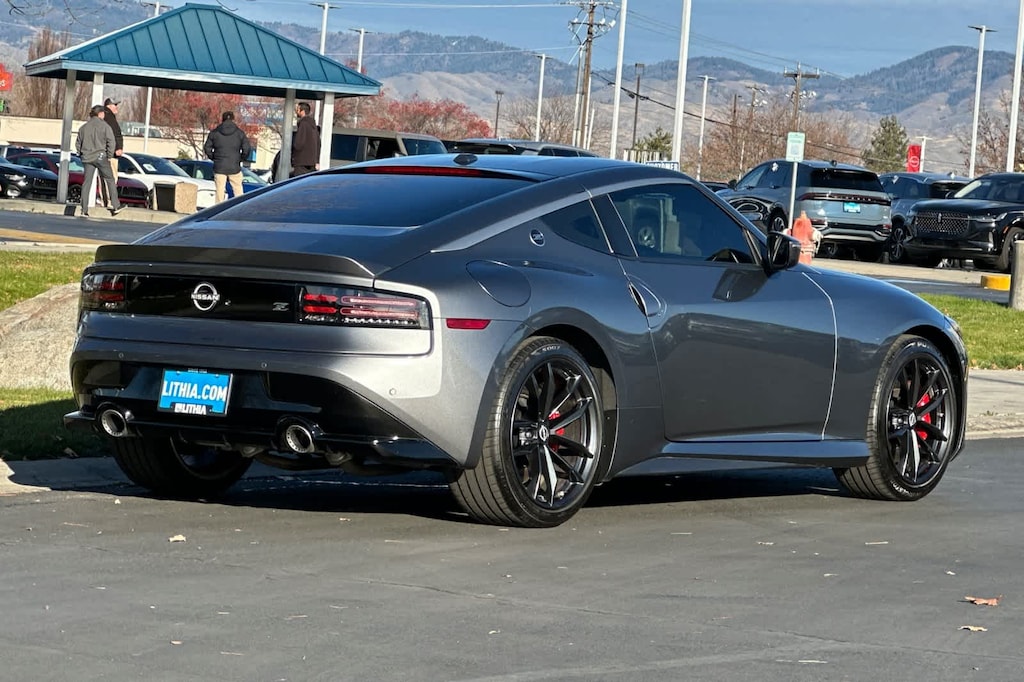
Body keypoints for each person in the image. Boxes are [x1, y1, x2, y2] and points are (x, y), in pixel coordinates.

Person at [76, 105, 122, 217]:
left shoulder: (83, 128)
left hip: (87, 158)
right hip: (101, 157)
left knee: (87, 183)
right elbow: (111, 142)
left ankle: (84, 209)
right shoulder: (105, 126)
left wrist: (82, 154)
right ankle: (116, 205)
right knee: (110, 179)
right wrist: (109, 156)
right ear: (100, 114)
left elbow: (78, 144)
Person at [203, 111, 253, 203]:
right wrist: (241, 158)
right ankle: (239, 209)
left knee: (219, 191)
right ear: (233, 119)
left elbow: (207, 148)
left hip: (219, 166)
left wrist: (214, 157)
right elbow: (247, 148)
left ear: (222, 119)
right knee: (238, 190)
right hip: (234, 166)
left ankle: (218, 211)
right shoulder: (239, 133)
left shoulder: (215, 133)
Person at [100, 97, 124, 208]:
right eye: (115, 105)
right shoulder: (109, 118)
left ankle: (105, 201)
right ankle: (111, 202)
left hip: (103, 153)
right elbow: (114, 135)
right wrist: (117, 148)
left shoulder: (104, 117)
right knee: (111, 178)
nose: (117, 107)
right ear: (109, 106)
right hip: (110, 154)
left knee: (104, 178)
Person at [290, 101, 320, 177]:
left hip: (301, 162)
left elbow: (298, 144)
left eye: (297, 109)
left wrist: (293, 156)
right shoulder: (313, 125)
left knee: (298, 184)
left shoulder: (303, 124)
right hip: (311, 163)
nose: (296, 111)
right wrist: (316, 160)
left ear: (302, 111)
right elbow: (318, 143)